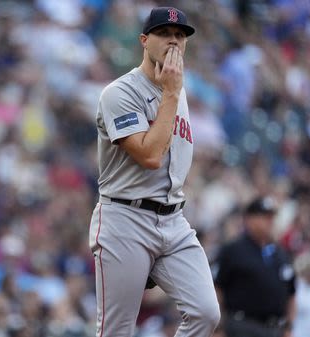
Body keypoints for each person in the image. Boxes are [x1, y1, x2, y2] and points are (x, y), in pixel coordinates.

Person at [88, 7, 220, 337]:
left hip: (173, 219)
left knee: (206, 313)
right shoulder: (120, 92)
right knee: (116, 330)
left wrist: (173, 93)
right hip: (125, 217)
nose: (174, 41)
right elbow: (149, 156)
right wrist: (172, 93)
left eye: (180, 35)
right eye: (165, 34)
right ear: (145, 41)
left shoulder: (177, 90)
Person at [214, 196, 296, 337]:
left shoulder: (281, 254)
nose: (270, 221)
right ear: (249, 220)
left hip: (274, 329)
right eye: (265, 216)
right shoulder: (233, 250)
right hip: (241, 327)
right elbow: (217, 288)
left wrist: (289, 327)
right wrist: (218, 326)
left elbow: (291, 294)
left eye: (272, 217)